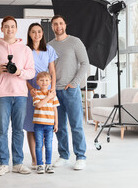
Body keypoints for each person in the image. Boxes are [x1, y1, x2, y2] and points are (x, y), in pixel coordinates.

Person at [0, 16, 35, 176]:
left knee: (18, 130)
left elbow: (31, 72)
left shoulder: (26, 50)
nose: (10, 29)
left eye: (12, 26)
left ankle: (18, 163)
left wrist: (19, 72)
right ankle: (4, 163)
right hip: (1, 95)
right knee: (1, 130)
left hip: (20, 95)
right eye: (6, 26)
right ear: (1, 28)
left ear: (16, 28)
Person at [48, 15, 89, 170]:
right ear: (52, 27)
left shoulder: (75, 42)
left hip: (70, 91)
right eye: (55, 24)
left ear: (65, 25)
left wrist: (74, 83)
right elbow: (48, 68)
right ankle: (64, 155)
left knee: (76, 125)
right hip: (54, 91)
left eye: (60, 23)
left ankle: (80, 156)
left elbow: (85, 63)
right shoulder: (49, 45)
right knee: (59, 126)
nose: (58, 26)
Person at [24, 23, 57, 170]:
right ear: (29, 34)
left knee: (45, 123)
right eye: (33, 32)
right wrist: (31, 88)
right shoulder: (25, 50)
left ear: (42, 33)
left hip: (46, 88)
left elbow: (52, 71)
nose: (36, 34)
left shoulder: (49, 49)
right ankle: (35, 159)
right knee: (32, 125)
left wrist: (53, 89)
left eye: (39, 31)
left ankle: (43, 159)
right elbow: (23, 72)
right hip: (30, 89)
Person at [32, 72, 59, 174]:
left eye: (47, 80)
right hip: (38, 124)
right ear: (37, 82)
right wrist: (48, 97)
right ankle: (39, 164)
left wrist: (56, 124)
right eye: (42, 80)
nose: (44, 82)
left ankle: (48, 164)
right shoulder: (36, 93)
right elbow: (38, 105)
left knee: (49, 144)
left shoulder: (53, 94)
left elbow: (55, 109)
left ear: (50, 82)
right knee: (39, 144)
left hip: (49, 124)